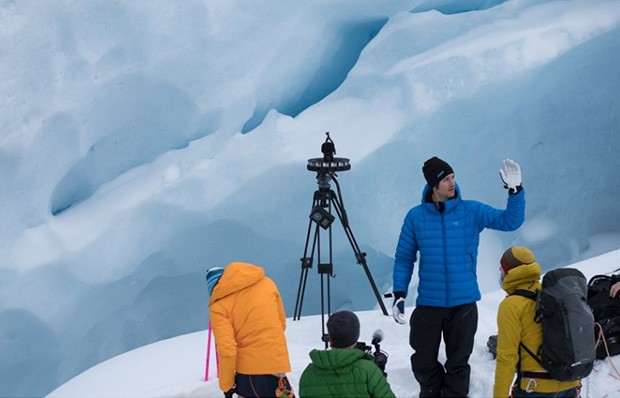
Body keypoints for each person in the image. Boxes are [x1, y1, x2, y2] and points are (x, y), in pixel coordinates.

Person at [392, 156, 525, 397]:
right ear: (434, 185)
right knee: (422, 360)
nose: (452, 183)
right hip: (429, 303)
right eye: (445, 179)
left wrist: (515, 191)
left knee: (458, 365)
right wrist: (399, 292)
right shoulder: (416, 217)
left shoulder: (471, 211)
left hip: (463, 304)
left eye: (453, 177)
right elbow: (404, 257)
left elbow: (510, 221)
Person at [493, 246, 581, 397]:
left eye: (501, 269)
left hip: (536, 388)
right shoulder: (552, 295)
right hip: (569, 384)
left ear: (509, 272)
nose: (500, 273)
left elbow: (507, 358)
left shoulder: (511, 306)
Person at [207, 262, 294, 398]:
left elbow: (227, 351)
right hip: (278, 367)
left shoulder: (218, 307)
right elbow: (281, 323)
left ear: (214, 290)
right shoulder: (267, 283)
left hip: (250, 375)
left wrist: (226, 386)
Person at [298, 310, 395, 398]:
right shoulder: (367, 370)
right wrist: (378, 373)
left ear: (330, 340)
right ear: (356, 337)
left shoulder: (308, 373)